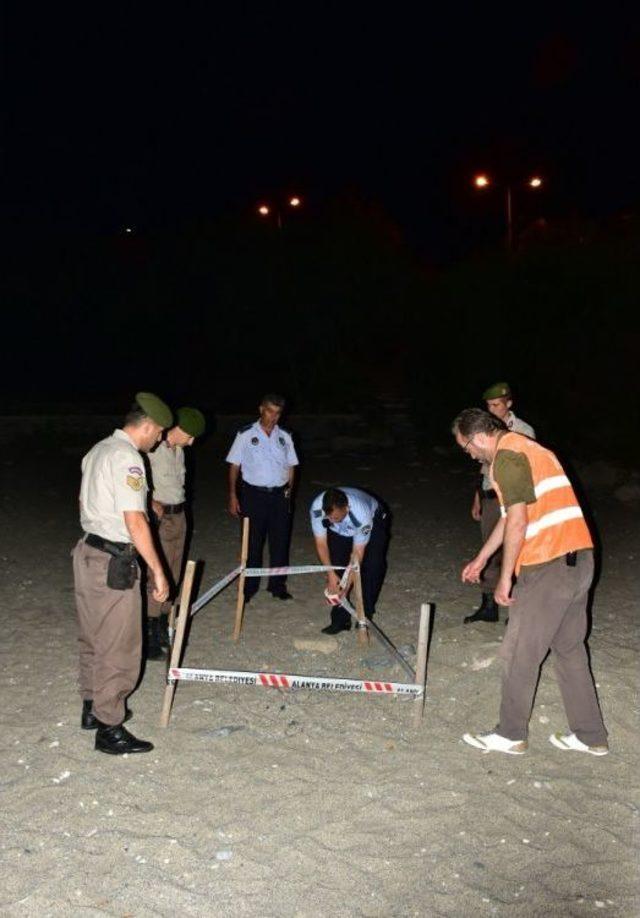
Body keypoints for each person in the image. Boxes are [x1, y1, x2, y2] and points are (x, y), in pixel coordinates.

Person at [452, 408, 608, 756]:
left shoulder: (505, 458)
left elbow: (519, 523)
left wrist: (504, 578)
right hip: (579, 560)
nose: (470, 454)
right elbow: (510, 518)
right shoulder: (531, 449)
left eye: (467, 448)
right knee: (569, 650)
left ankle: (510, 734)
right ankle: (590, 735)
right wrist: (481, 559)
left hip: (548, 565)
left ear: (478, 438)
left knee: (519, 651)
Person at [72, 392, 173, 755]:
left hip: (86, 551)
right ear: (145, 425)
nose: (160, 439)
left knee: (93, 636)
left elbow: (83, 502)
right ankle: (109, 727)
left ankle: (91, 707)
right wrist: (158, 571)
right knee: (119, 644)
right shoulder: (128, 457)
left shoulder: (97, 450)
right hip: (113, 561)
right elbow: (134, 520)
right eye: (159, 432)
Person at [466, 381, 536, 624]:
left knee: (516, 551)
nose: (491, 410)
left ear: (509, 403)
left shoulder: (523, 431)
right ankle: (488, 605)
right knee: (490, 548)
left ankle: (516, 607)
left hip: (514, 498)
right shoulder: (485, 430)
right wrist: (478, 497)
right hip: (491, 497)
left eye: (496, 405)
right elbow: (484, 468)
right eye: (488, 405)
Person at [145, 406, 206, 659]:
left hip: (179, 516)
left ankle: (162, 624)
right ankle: (149, 634)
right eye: (190, 435)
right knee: (156, 574)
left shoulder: (178, 451)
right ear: (178, 429)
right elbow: (135, 481)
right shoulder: (151, 449)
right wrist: (149, 502)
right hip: (161, 519)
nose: (192, 442)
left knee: (174, 572)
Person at [226, 393, 298, 601]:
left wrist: (289, 494)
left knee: (280, 542)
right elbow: (234, 466)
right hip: (253, 495)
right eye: (270, 411)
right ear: (261, 409)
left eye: (277, 413)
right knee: (252, 543)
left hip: (279, 496)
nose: (273, 416)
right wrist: (233, 495)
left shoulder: (285, 435)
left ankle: (277, 585)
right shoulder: (246, 434)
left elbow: (292, 466)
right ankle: (249, 587)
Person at [310, 487, 390, 634]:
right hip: (342, 531)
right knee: (337, 566)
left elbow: (357, 554)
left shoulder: (361, 514)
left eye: (335, 517)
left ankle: (365, 615)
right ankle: (341, 620)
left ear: (346, 508)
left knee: (372, 566)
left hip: (374, 520)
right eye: (329, 517)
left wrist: (346, 588)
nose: (332, 520)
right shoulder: (317, 508)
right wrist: (331, 575)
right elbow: (321, 544)